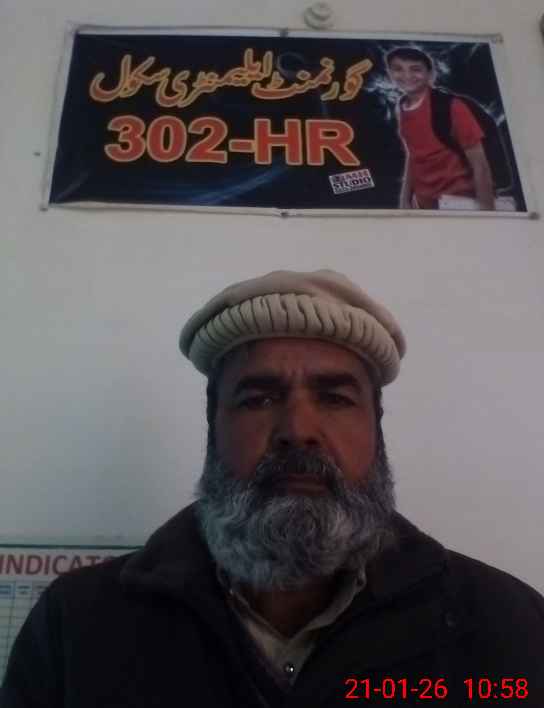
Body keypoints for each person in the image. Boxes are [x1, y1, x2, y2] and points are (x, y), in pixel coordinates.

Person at [2, 269, 543, 707]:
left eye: (335, 398)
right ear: (213, 424)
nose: (298, 429)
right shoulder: (75, 624)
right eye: (258, 398)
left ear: (377, 428)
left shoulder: (510, 623)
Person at [386, 47, 497, 211]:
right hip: (424, 205)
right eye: (398, 69)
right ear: (390, 73)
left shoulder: (452, 107)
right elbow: (413, 155)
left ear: (431, 75)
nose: (406, 75)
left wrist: (487, 214)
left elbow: (480, 164)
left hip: (458, 203)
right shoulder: (401, 106)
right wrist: (405, 199)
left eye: (415, 69)